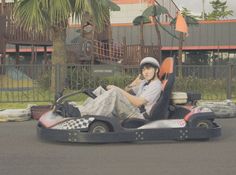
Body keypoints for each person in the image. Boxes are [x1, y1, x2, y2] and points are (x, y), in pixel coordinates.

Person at [79, 57, 162, 120]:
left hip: (138, 114)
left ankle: (82, 114)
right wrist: (134, 83)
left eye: (148, 69)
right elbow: (126, 90)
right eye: (143, 70)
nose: (145, 72)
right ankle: (81, 109)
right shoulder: (145, 83)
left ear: (156, 70)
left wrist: (117, 89)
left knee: (114, 93)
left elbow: (138, 103)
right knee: (102, 90)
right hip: (132, 108)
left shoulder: (156, 85)